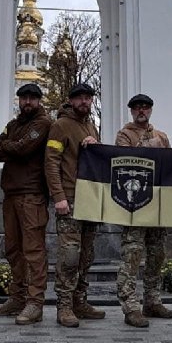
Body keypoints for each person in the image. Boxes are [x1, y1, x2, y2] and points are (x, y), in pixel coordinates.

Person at [0, 83, 52, 325]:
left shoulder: (43, 123)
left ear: (38, 101)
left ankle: (35, 302)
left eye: (32, 99)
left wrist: (9, 146)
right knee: (13, 249)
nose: (27, 102)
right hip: (11, 194)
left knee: (33, 251)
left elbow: (24, 148)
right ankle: (17, 297)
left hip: (32, 195)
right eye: (23, 98)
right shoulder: (15, 124)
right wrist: (11, 147)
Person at [45, 82, 104, 328]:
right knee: (70, 254)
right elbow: (51, 161)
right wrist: (58, 196)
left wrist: (96, 145)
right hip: (69, 198)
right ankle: (65, 305)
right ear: (71, 100)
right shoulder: (61, 126)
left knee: (86, 254)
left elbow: (96, 161)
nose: (84, 102)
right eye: (79, 98)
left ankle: (80, 300)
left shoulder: (91, 126)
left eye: (88, 98)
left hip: (89, 199)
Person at [115, 93, 172, 329]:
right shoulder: (125, 135)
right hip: (134, 204)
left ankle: (152, 300)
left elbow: (169, 164)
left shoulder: (162, 136)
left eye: (146, 107)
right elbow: (125, 161)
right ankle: (130, 305)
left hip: (157, 204)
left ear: (151, 110)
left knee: (157, 253)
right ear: (132, 111)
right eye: (137, 108)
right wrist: (146, 145)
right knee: (132, 253)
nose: (142, 111)